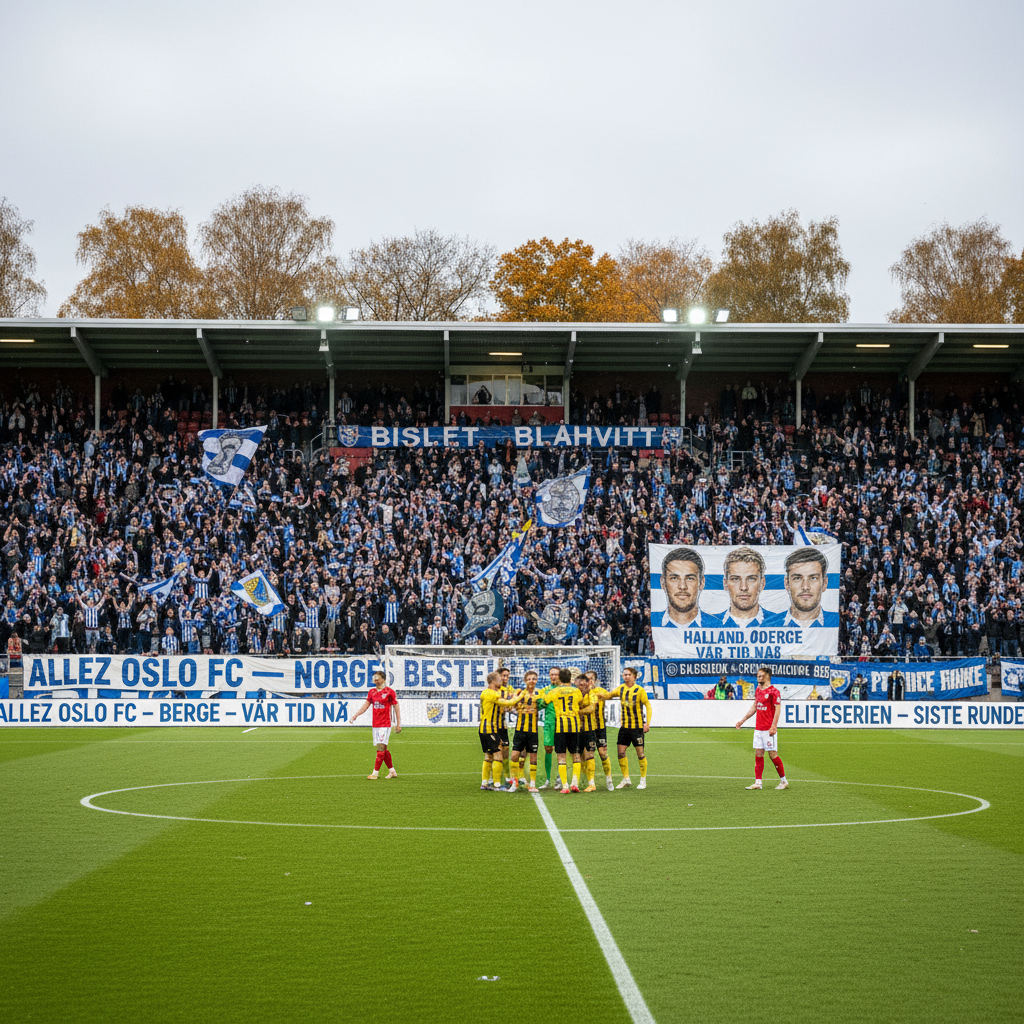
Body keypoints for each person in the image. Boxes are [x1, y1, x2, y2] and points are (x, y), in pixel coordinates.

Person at [734, 665, 788, 790]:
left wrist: (774, 726)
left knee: (773, 754)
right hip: (758, 728)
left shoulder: (774, 692)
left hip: (768, 729)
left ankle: (783, 781)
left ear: (767, 676)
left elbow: (778, 709)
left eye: (760, 675)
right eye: (758, 675)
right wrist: (742, 720)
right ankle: (758, 783)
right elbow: (755, 706)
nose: (758, 677)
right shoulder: (758, 690)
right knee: (758, 754)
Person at [781, 547, 839, 653]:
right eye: (797, 578)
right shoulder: (767, 624)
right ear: (786, 583)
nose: (805, 587)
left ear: (824, 583)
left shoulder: (837, 622)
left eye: (813, 578)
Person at [351, 670, 402, 779]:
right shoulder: (372, 692)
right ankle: (392, 771)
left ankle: (375, 773)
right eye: (374, 677)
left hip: (385, 724)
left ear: (383, 679)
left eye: (377, 677)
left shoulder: (389, 692)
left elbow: (396, 707)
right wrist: (356, 715)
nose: (375, 679)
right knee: (383, 749)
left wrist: (398, 724)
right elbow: (366, 705)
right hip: (375, 724)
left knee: (380, 748)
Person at [652, 546, 720, 628]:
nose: (682, 586)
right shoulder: (651, 623)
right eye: (674, 578)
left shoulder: (719, 626)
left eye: (690, 578)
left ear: (702, 582)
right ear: (663, 582)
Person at [477, 670, 522, 790]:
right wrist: (520, 696)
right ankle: (497, 784)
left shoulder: (485, 693)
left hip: (483, 728)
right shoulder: (492, 694)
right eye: (499, 679)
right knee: (498, 757)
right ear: (493, 681)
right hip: (490, 729)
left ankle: (484, 783)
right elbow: (509, 702)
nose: (501, 681)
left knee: (488, 757)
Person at [608, 666, 652, 789]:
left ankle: (643, 780)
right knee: (621, 752)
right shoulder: (621, 689)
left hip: (637, 728)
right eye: (624, 675)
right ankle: (626, 778)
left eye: (628, 675)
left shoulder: (639, 690)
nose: (626, 677)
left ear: (634, 676)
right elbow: (609, 695)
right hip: (624, 728)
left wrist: (647, 723)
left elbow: (648, 705)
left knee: (640, 754)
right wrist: (597, 694)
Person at [720, 546, 781, 628]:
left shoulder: (781, 624)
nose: (744, 587)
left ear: (762, 583)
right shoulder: (710, 624)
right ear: (725, 584)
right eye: (736, 579)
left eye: (751, 579)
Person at [547, 666, 584, 793]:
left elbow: (545, 701)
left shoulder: (554, 692)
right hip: (574, 726)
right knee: (576, 755)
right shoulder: (576, 691)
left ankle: (565, 786)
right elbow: (581, 703)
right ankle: (575, 783)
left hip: (560, 727)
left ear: (559, 678)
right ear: (570, 678)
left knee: (561, 757)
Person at [578, 671, 615, 791]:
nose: (589, 682)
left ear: (595, 680)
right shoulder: (581, 693)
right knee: (588, 754)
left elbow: (610, 696)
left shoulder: (599, 691)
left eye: (591, 679)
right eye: (587, 679)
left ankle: (609, 779)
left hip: (600, 727)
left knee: (603, 753)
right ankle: (591, 783)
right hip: (587, 728)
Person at [508, 670, 540, 792]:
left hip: (533, 731)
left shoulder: (539, 694)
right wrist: (517, 710)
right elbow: (511, 706)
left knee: (533, 758)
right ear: (525, 680)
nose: (532, 681)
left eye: (534, 679)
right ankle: (514, 783)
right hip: (520, 730)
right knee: (514, 755)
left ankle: (532, 784)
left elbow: (543, 704)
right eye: (529, 679)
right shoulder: (519, 692)